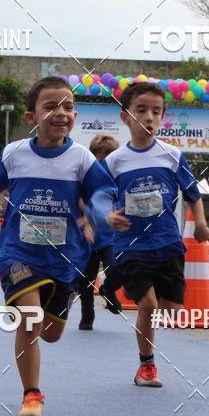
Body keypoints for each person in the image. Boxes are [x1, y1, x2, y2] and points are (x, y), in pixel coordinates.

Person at [0, 77, 116, 416]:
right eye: (51, 106)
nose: (61, 113)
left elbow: (103, 192)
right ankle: (32, 394)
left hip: (64, 259)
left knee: (52, 333)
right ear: (31, 117)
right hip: (19, 253)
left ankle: (42, 317)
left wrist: (100, 213)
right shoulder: (15, 154)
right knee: (30, 321)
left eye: (68, 106)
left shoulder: (82, 158)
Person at [104, 81, 209, 388]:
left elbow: (193, 193)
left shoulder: (172, 155)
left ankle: (115, 283)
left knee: (172, 311)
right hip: (131, 245)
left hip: (167, 243)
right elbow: (98, 197)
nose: (149, 117)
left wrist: (201, 223)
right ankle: (146, 366)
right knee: (148, 306)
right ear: (125, 116)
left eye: (156, 111)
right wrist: (108, 216)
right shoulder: (114, 161)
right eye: (141, 110)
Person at [78, 133, 122, 330]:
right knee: (85, 281)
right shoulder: (85, 179)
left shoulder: (117, 180)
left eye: (107, 159)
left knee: (116, 269)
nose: (103, 166)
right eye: (99, 159)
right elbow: (78, 204)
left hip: (110, 238)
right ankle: (87, 315)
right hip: (88, 238)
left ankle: (108, 290)